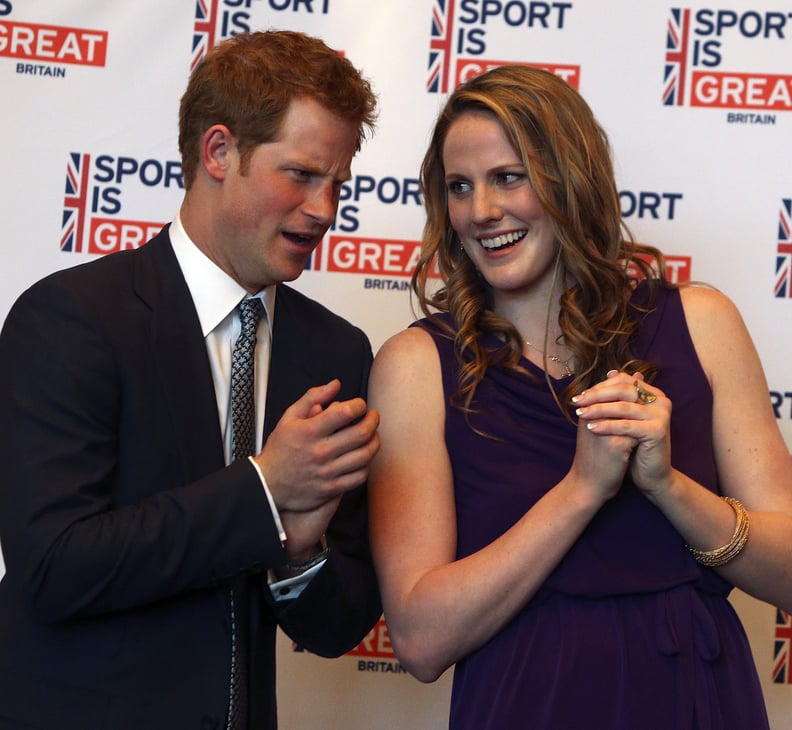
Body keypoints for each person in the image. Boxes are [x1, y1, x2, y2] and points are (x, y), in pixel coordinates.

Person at [367, 64, 792, 729]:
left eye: (509, 177)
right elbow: (421, 638)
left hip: (698, 702)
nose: (482, 211)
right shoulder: (418, 365)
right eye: (459, 187)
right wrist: (582, 489)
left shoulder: (702, 323)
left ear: (572, 175)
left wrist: (667, 485)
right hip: (523, 707)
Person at [0, 30, 381, 730]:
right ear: (218, 152)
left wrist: (300, 551)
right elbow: (53, 569)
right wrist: (266, 490)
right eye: (300, 174)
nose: (326, 210)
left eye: (338, 184)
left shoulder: (335, 351)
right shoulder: (71, 319)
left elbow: (341, 623)